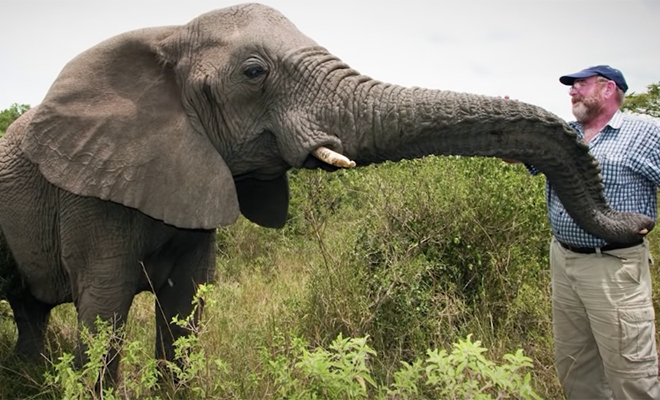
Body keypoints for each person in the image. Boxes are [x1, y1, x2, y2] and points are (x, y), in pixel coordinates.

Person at [529, 65, 660, 399]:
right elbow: (520, 159)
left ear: (607, 89)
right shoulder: (563, 134)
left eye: (580, 85)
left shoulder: (645, 134)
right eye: (571, 87)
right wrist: (500, 131)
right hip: (564, 261)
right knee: (575, 366)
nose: (572, 91)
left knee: (631, 373)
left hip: (614, 268)